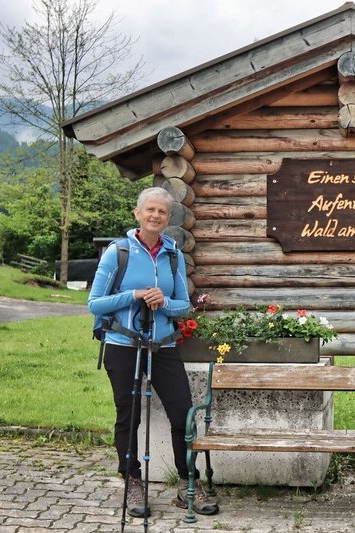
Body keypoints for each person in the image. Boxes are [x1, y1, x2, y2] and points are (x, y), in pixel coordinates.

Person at [88, 187, 218, 518]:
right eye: (150, 209)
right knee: (128, 415)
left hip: (162, 346)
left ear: (168, 217)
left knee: (183, 414)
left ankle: (188, 483)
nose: (155, 215)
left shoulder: (173, 255)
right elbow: (95, 303)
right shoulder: (117, 252)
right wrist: (133, 295)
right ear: (137, 213)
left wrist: (164, 301)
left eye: (162, 211)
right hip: (123, 345)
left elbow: (183, 306)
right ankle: (132, 481)